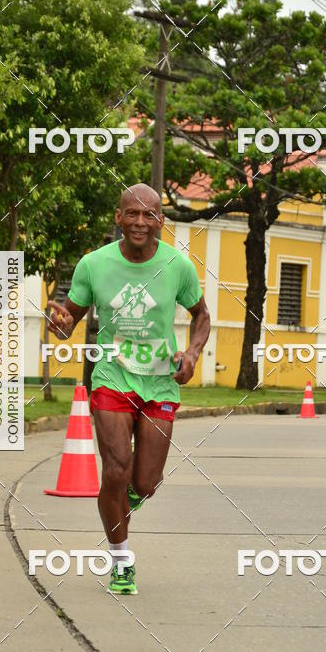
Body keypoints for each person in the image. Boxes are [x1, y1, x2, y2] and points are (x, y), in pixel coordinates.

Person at [49, 184, 210, 595]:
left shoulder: (177, 265)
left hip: (160, 379)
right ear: (118, 218)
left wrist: (191, 353)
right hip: (112, 376)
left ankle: (130, 495)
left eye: (150, 215)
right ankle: (121, 559)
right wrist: (61, 324)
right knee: (116, 471)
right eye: (131, 214)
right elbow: (71, 315)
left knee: (145, 482)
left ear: (161, 221)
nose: (140, 222)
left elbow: (201, 315)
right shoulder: (93, 264)